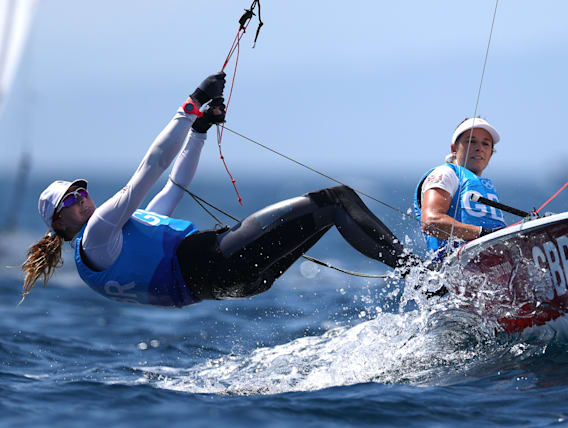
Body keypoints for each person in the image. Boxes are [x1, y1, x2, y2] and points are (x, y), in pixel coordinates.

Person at [21, 72, 416, 307]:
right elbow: (151, 168)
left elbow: (174, 185)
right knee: (337, 198)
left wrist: (200, 130)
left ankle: (419, 278)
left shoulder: (109, 247)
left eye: (81, 192)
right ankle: (421, 277)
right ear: (59, 222)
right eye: (70, 201)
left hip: (236, 284)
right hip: (218, 263)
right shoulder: (97, 233)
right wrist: (190, 104)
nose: (82, 199)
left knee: (328, 213)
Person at [413, 117, 507, 260]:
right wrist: (482, 233)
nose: (479, 148)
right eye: (471, 141)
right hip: (452, 266)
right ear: (454, 149)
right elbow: (430, 222)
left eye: (486, 143)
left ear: (491, 152)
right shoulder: (446, 174)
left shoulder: (485, 186)